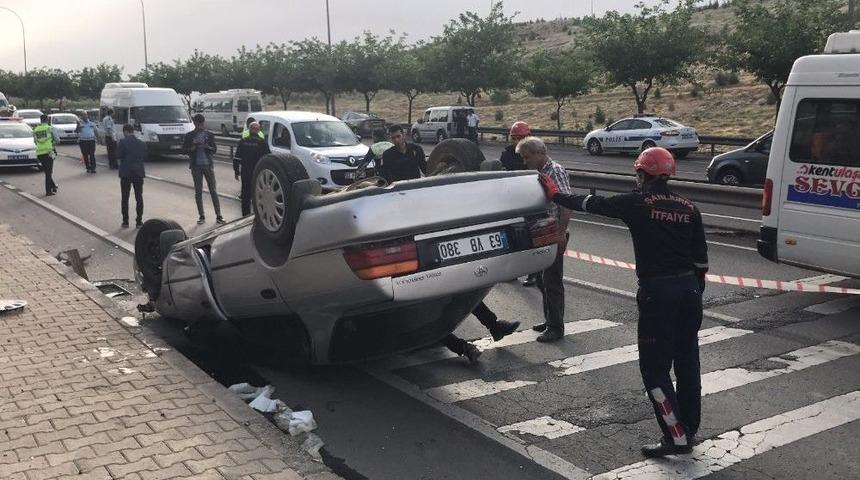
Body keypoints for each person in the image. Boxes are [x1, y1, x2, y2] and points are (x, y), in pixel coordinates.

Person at [539, 146, 708, 458]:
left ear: (642, 174)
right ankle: (689, 428)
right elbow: (701, 263)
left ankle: (676, 437)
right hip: (689, 292)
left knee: (654, 369)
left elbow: (590, 203)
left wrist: (554, 194)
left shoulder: (637, 201)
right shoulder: (689, 207)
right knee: (687, 362)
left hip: (658, 293)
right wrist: (692, 292)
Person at [517, 136, 571, 342]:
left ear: (539, 153)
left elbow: (566, 204)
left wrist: (560, 232)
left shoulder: (554, 171)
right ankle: (550, 320)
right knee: (541, 278)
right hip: (541, 233)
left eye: (527, 157)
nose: (525, 161)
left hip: (553, 233)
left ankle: (556, 327)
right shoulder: (539, 172)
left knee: (552, 280)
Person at [501, 121, 539, 287]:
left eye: (521, 138)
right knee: (513, 237)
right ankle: (513, 271)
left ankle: (535, 273)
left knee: (533, 236)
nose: (518, 141)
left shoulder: (536, 152)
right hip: (513, 199)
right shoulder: (507, 153)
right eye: (515, 138)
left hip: (531, 199)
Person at [183, 114, 225, 225]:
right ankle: (201, 216)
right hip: (196, 166)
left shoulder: (209, 135)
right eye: (198, 124)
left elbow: (214, 149)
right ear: (195, 123)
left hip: (208, 165)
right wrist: (192, 147)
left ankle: (219, 215)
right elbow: (184, 150)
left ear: (203, 123)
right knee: (198, 191)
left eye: (201, 124)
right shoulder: (189, 135)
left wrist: (207, 147)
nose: (200, 126)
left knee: (213, 191)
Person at [233, 121, 270, 216]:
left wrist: (236, 171)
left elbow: (237, 157)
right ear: (258, 130)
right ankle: (258, 216)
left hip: (245, 172)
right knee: (259, 195)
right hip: (258, 172)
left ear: (249, 130)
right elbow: (268, 158)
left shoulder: (243, 141)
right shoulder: (262, 142)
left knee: (245, 195)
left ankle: (245, 215)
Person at [116, 123, 147, 227]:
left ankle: (125, 221)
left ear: (126, 131)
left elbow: (119, 156)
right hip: (138, 172)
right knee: (139, 197)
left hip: (126, 172)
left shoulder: (123, 142)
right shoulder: (141, 143)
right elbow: (143, 156)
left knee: (125, 197)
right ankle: (139, 221)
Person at [33, 114, 58, 196]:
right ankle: (48, 191)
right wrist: (52, 144)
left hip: (39, 153)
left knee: (47, 172)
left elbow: (35, 142)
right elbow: (57, 140)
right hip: (49, 152)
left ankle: (53, 186)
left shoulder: (35, 129)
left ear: (40, 120)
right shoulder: (50, 128)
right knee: (49, 173)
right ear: (47, 120)